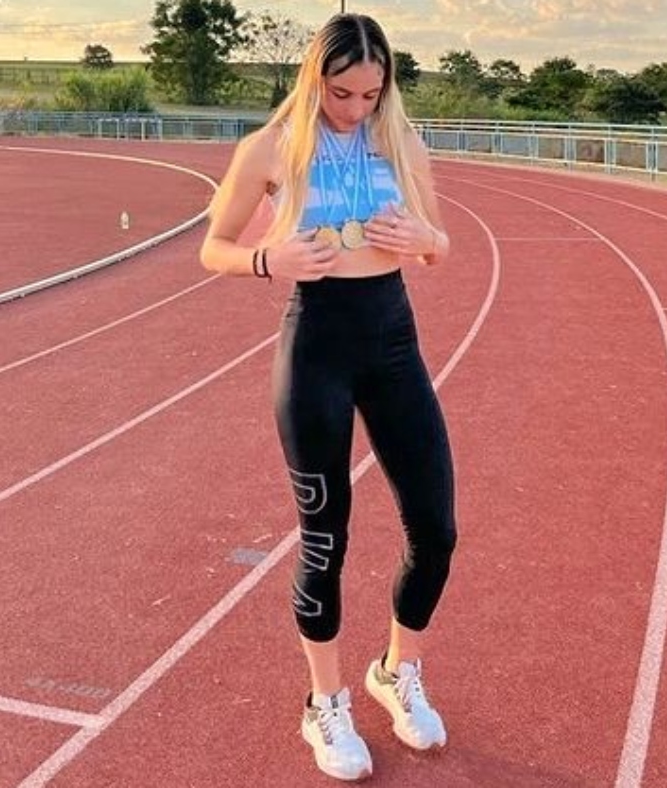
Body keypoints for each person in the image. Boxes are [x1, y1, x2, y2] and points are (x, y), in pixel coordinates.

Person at [199, 13, 457, 782]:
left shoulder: (401, 143)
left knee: (436, 530)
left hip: (394, 344)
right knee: (325, 541)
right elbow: (213, 246)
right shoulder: (271, 148)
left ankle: (397, 672)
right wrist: (266, 259)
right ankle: (325, 703)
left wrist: (425, 243)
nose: (354, 108)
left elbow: (439, 243)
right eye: (341, 93)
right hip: (315, 347)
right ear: (315, 79)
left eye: (370, 94)